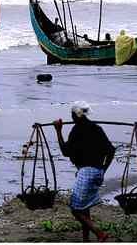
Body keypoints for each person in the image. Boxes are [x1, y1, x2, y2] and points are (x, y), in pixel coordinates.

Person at [53, 102, 115, 242]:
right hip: (97, 171)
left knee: (75, 209)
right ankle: (86, 239)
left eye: (72, 114)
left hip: (86, 172)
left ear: (75, 115)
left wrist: (58, 130)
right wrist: (103, 170)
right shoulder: (97, 128)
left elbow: (65, 152)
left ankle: (99, 233)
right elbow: (111, 151)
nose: (72, 117)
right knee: (84, 206)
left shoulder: (76, 131)